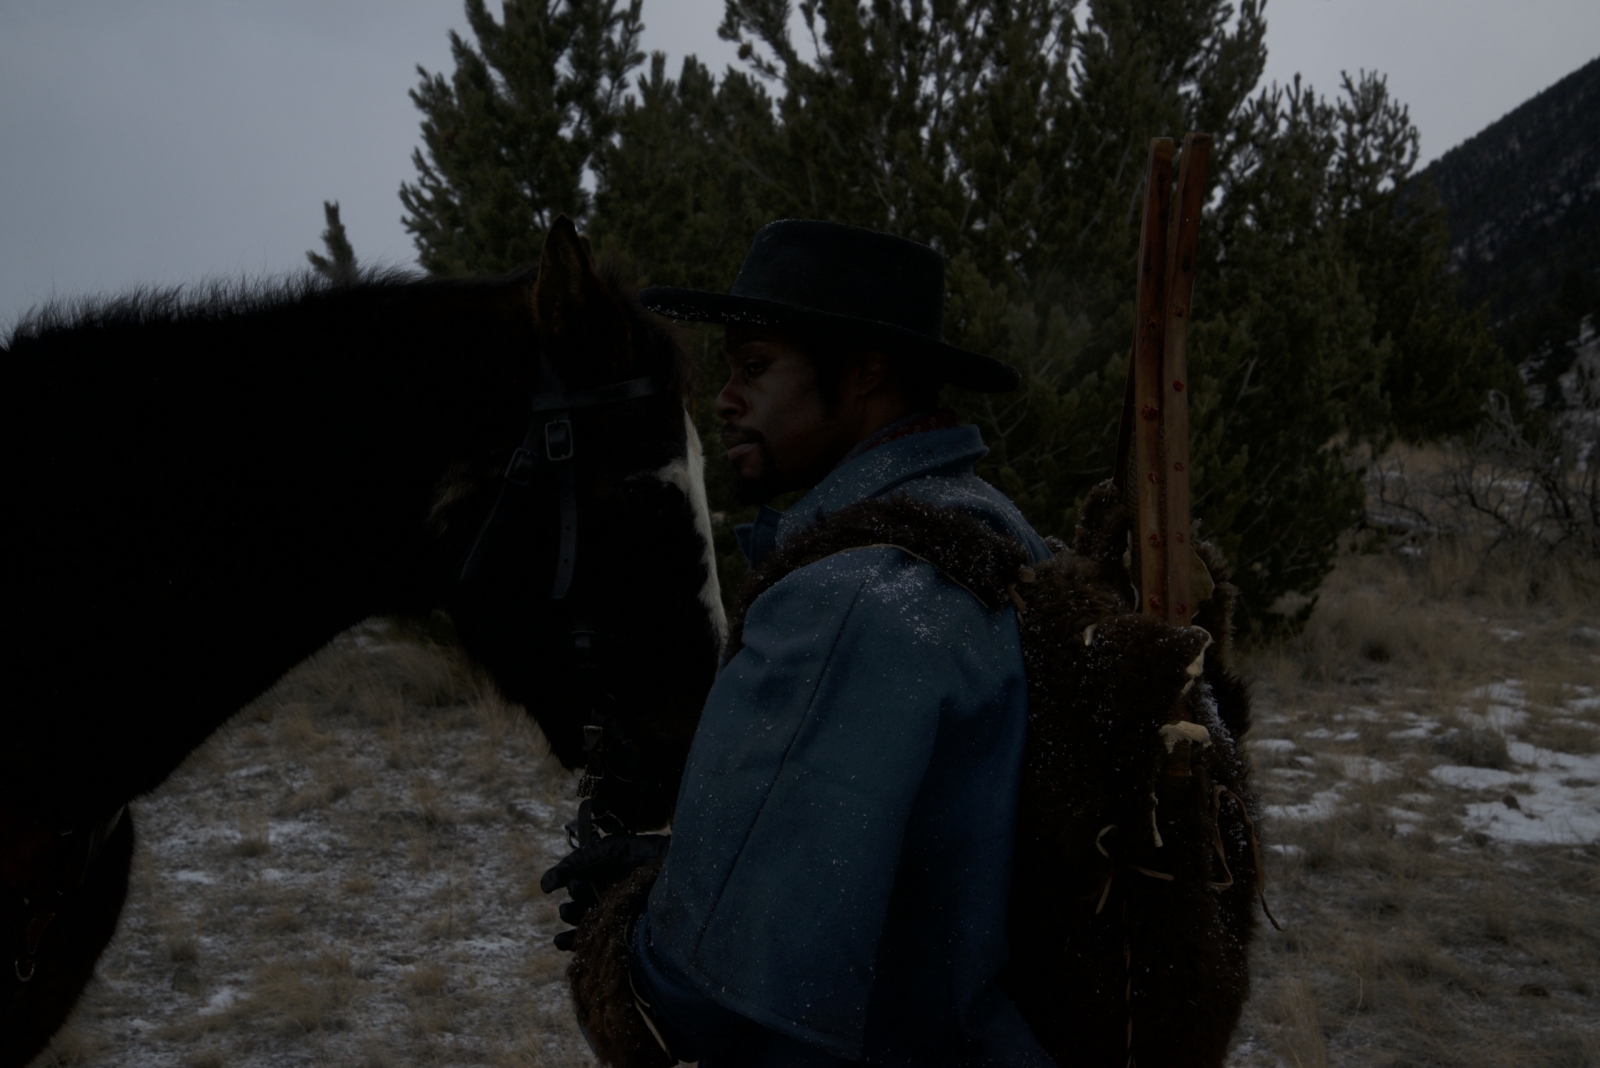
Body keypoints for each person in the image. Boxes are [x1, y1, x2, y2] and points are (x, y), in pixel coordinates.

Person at [545, 220, 1057, 1067]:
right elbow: (927, 847)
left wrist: (626, 931)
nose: (723, 398)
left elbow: (710, 994)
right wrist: (693, 865)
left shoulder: (851, 598)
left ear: (865, 374)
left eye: (755, 366)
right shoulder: (988, 527)